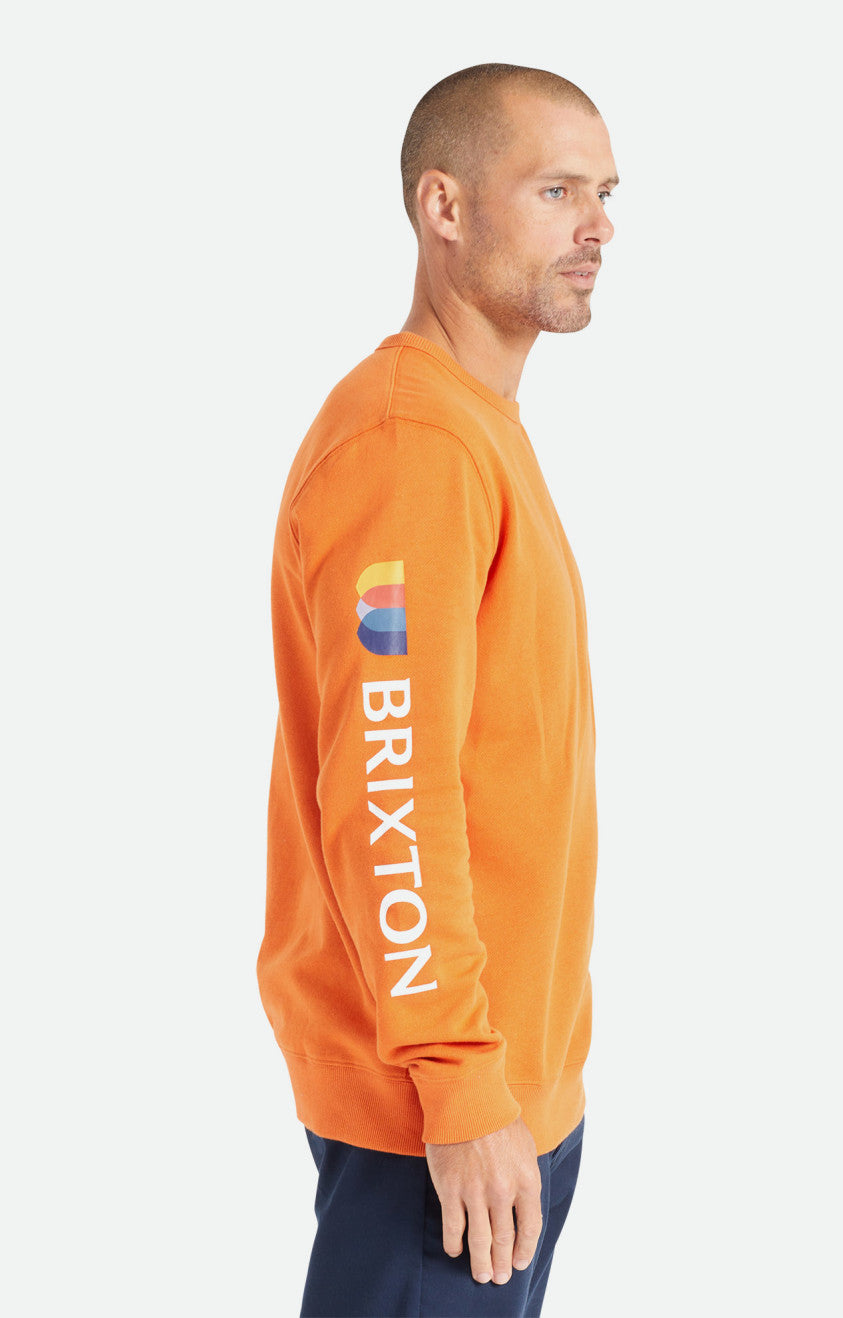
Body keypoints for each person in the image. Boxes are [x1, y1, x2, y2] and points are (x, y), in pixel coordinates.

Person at [256, 62, 619, 1317]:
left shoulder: (473, 425)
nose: (597, 226)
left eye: (606, 193)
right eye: (557, 190)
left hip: (504, 1096)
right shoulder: (411, 445)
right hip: (436, 1117)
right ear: (443, 207)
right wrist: (461, 1081)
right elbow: (390, 788)